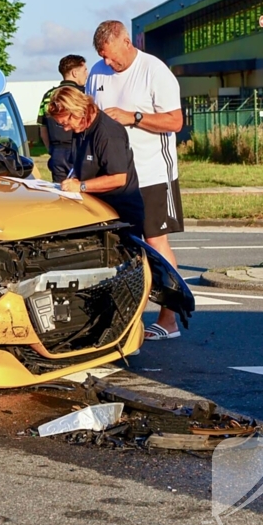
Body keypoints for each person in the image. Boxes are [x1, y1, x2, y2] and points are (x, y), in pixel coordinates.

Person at [86, 20, 184, 341]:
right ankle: (124, 320)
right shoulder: (97, 73)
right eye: (104, 58)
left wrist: (134, 117)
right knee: (120, 247)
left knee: (156, 243)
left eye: (114, 58)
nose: (110, 64)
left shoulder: (154, 70)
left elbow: (176, 121)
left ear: (126, 42)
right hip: (116, 177)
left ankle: (168, 321)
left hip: (154, 173)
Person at [46, 87, 145, 238]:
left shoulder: (108, 133)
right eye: (61, 124)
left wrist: (81, 186)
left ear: (78, 111)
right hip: (97, 209)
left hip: (121, 213)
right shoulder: (81, 128)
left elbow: (118, 177)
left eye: (66, 122)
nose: (65, 129)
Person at [37, 55, 88, 181]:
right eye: (85, 70)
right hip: (79, 150)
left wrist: (52, 150)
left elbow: (43, 129)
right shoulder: (83, 94)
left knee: (61, 194)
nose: (87, 74)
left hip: (57, 152)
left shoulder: (49, 95)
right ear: (75, 73)